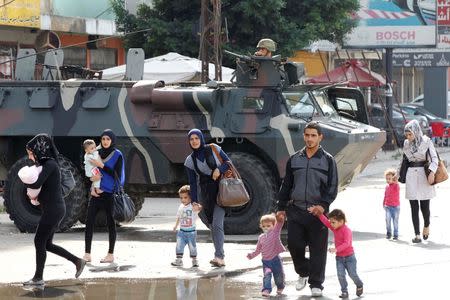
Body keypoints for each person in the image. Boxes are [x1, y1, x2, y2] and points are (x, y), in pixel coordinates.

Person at [276, 121, 338, 297]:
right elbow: (286, 184)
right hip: (296, 210)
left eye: (313, 135)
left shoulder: (328, 160)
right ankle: (303, 272)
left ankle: (316, 283)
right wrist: (281, 207)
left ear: (320, 137)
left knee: (318, 249)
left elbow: (332, 187)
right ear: (303, 136)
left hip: (318, 213)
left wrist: (323, 205)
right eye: (307, 135)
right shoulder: (294, 159)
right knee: (295, 245)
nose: (310, 139)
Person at [23, 133, 85, 286]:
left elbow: (37, 184)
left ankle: (38, 278)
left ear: (39, 150)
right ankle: (78, 261)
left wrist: (25, 181)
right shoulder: (47, 165)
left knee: (39, 241)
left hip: (53, 210)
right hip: (54, 209)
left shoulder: (49, 164)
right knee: (47, 244)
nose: (30, 156)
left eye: (30, 152)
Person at [184, 128, 231, 267]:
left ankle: (219, 257)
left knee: (217, 224)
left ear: (201, 139)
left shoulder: (213, 148)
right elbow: (192, 183)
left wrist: (219, 170)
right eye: (191, 139)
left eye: (196, 138)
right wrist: (194, 202)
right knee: (212, 225)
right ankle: (218, 255)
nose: (194, 141)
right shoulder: (189, 160)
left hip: (221, 191)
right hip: (206, 195)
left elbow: (228, 162)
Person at [83, 129, 125, 263]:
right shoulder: (95, 152)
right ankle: (87, 253)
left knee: (111, 224)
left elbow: (117, 175)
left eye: (108, 139)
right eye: (103, 139)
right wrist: (91, 180)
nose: (105, 142)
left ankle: (110, 254)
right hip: (96, 193)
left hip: (109, 194)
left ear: (112, 140)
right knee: (89, 222)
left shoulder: (117, 154)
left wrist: (101, 165)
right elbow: (88, 170)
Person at [308, 208, 363, 298]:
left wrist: (336, 249)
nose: (331, 224)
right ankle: (344, 291)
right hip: (339, 258)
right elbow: (326, 222)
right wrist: (319, 214)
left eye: (333, 222)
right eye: (331, 222)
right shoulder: (335, 228)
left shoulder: (347, 231)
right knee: (341, 275)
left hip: (349, 258)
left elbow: (347, 243)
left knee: (352, 274)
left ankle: (359, 284)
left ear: (341, 221)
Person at [403, 119, 438, 243]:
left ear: (416, 131)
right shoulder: (406, 143)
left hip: (424, 174)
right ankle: (417, 235)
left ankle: (427, 225)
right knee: (413, 206)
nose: (408, 137)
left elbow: (434, 159)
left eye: (410, 134)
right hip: (411, 175)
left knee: (424, 207)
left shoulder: (426, 141)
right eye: (406, 134)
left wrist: (432, 172)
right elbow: (404, 161)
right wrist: (397, 173)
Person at [247, 214, 286, 297]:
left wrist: (280, 220)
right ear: (261, 226)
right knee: (267, 275)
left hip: (275, 260)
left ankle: (280, 286)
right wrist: (251, 255)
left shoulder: (275, 233)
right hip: (266, 261)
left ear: (273, 225)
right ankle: (266, 289)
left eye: (268, 226)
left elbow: (279, 225)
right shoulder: (261, 237)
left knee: (278, 276)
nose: (266, 228)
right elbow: (258, 250)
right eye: (264, 226)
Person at [171, 185, 202, 268]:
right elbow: (179, 217)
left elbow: (200, 208)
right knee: (179, 246)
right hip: (181, 232)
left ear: (190, 197)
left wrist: (198, 206)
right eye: (181, 198)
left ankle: (194, 260)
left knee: (192, 247)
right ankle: (179, 260)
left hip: (191, 232)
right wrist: (175, 226)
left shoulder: (193, 206)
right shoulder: (181, 207)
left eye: (185, 197)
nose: (183, 200)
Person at [383, 168, 400, 240]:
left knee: (395, 221)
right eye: (387, 179)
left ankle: (395, 234)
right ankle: (388, 233)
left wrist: (395, 179)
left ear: (393, 179)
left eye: (389, 178)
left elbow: (397, 182)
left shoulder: (396, 186)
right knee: (387, 220)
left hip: (396, 207)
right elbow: (385, 195)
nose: (388, 180)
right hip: (388, 207)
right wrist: (383, 203)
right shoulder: (386, 187)